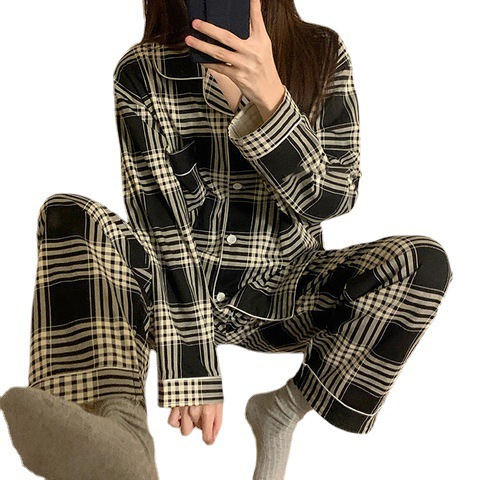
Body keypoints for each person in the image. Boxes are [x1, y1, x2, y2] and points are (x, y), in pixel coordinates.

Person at [0, 0, 453, 479]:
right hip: (169, 297)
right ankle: (117, 435)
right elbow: (162, 225)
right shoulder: (142, 71)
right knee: (70, 215)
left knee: (421, 262)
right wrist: (192, 366)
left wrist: (268, 99)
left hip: (283, 295)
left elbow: (333, 198)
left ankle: (282, 411)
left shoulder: (322, 53)